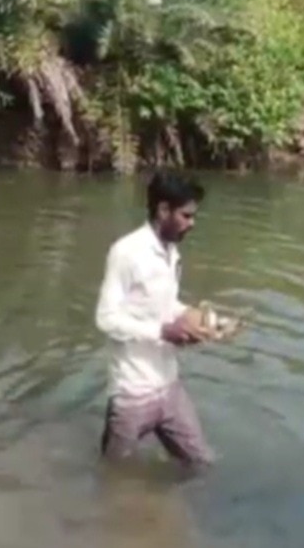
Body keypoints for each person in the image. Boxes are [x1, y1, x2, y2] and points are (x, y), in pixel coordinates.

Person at [95, 171, 215, 471]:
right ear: (163, 211)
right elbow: (106, 318)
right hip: (133, 393)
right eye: (186, 216)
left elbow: (162, 304)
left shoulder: (171, 252)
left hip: (169, 385)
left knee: (201, 464)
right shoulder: (126, 253)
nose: (192, 223)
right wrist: (163, 331)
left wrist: (191, 317)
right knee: (114, 478)